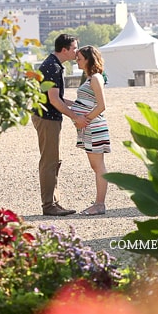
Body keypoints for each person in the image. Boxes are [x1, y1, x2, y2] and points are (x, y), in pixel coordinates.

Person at [33, 34, 87, 216]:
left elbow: (57, 97)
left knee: (53, 161)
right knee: (49, 162)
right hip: (47, 118)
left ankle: (53, 202)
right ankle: (49, 206)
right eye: (74, 48)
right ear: (64, 50)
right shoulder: (53, 67)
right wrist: (75, 117)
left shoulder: (52, 65)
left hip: (48, 117)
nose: (76, 51)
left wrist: (74, 104)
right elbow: (54, 100)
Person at [71, 45, 111, 216]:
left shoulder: (95, 78)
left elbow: (102, 106)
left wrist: (84, 120)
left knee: (98, 166)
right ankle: (98, 203)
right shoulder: (90, 78)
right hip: (90, 127)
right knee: (95, 166)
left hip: (93, 126)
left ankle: (100, 204)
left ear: (88, 59)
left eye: (79, 58)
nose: (77, 61)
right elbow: (84, 102)